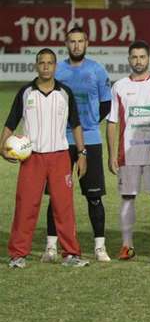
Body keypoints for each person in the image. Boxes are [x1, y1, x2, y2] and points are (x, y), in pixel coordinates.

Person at [2, 49, 89, 268]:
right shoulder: (26, 92)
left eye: (50, 63)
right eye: (42, 63)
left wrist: (82, 153)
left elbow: (76, 124)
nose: (46, 67)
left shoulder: (65, 93)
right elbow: (11, 122)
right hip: (32, 158)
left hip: (60, 157)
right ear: (36, 65)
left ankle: (70, 254)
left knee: (64, 206)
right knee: (26, 206)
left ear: (55, 66)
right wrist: (2, 146)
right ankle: (18, 255)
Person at [44, 27, 112, 262]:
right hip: (59, 140)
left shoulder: (97, 70)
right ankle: (51, 246)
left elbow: (105, 105)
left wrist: (87, 125)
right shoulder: (58, 70)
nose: (76, 45)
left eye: (80, 41)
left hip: (91, 140)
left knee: (94, 197)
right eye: (72, 41)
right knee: (56, 195)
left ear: (87, 43)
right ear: (66, 43)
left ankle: (99, 247)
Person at [106, 41, 150, 260]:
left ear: (148, 59)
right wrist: (111, 154)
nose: (138, 61)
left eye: (142, 57)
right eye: (134, 57)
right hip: (128, 153)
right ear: (129, 60)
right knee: (127, 197)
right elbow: (113, 122)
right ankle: (127, 245)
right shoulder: (119, 87)